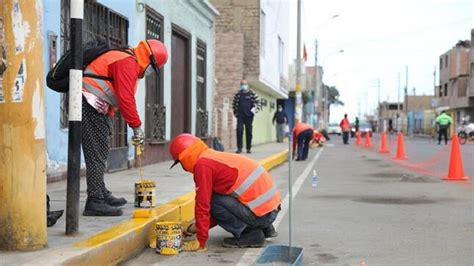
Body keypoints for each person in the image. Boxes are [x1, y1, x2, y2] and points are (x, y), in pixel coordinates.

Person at [82, 39, 168, 216]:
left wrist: (110, 116)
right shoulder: (127, 62)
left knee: (101, 151)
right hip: (89, 104)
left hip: (97, 106)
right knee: (96, 154)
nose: (150, 72)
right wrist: (137, 127)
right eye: (153, 68)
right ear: (149, 59)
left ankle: (100, 192)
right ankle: (95, 201)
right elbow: (126, 98)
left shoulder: (127, 58)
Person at [169, 134, 280, 251]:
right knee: (218, 199)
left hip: (263, 215)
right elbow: (219, 212)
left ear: (184, 158)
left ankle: (249, 234)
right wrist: (194, 228)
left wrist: (201, 241)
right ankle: (265, 228)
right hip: (270, 210)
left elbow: (204, 205)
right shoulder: (211, 157)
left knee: (212, 199)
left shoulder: (203, 165)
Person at [232, 80, 260, 153]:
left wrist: (254, 112)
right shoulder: (238, 94)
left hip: (249, 116)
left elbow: (258, 103)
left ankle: (248, 148)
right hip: (240, 116)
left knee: (249, 132)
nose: (243, 85)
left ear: (247, 85)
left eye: (244, 84)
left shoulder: (252, 93)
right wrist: (235, 113)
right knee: (239, 130)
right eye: (242, 84)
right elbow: (234, 104)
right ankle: (239, 148)